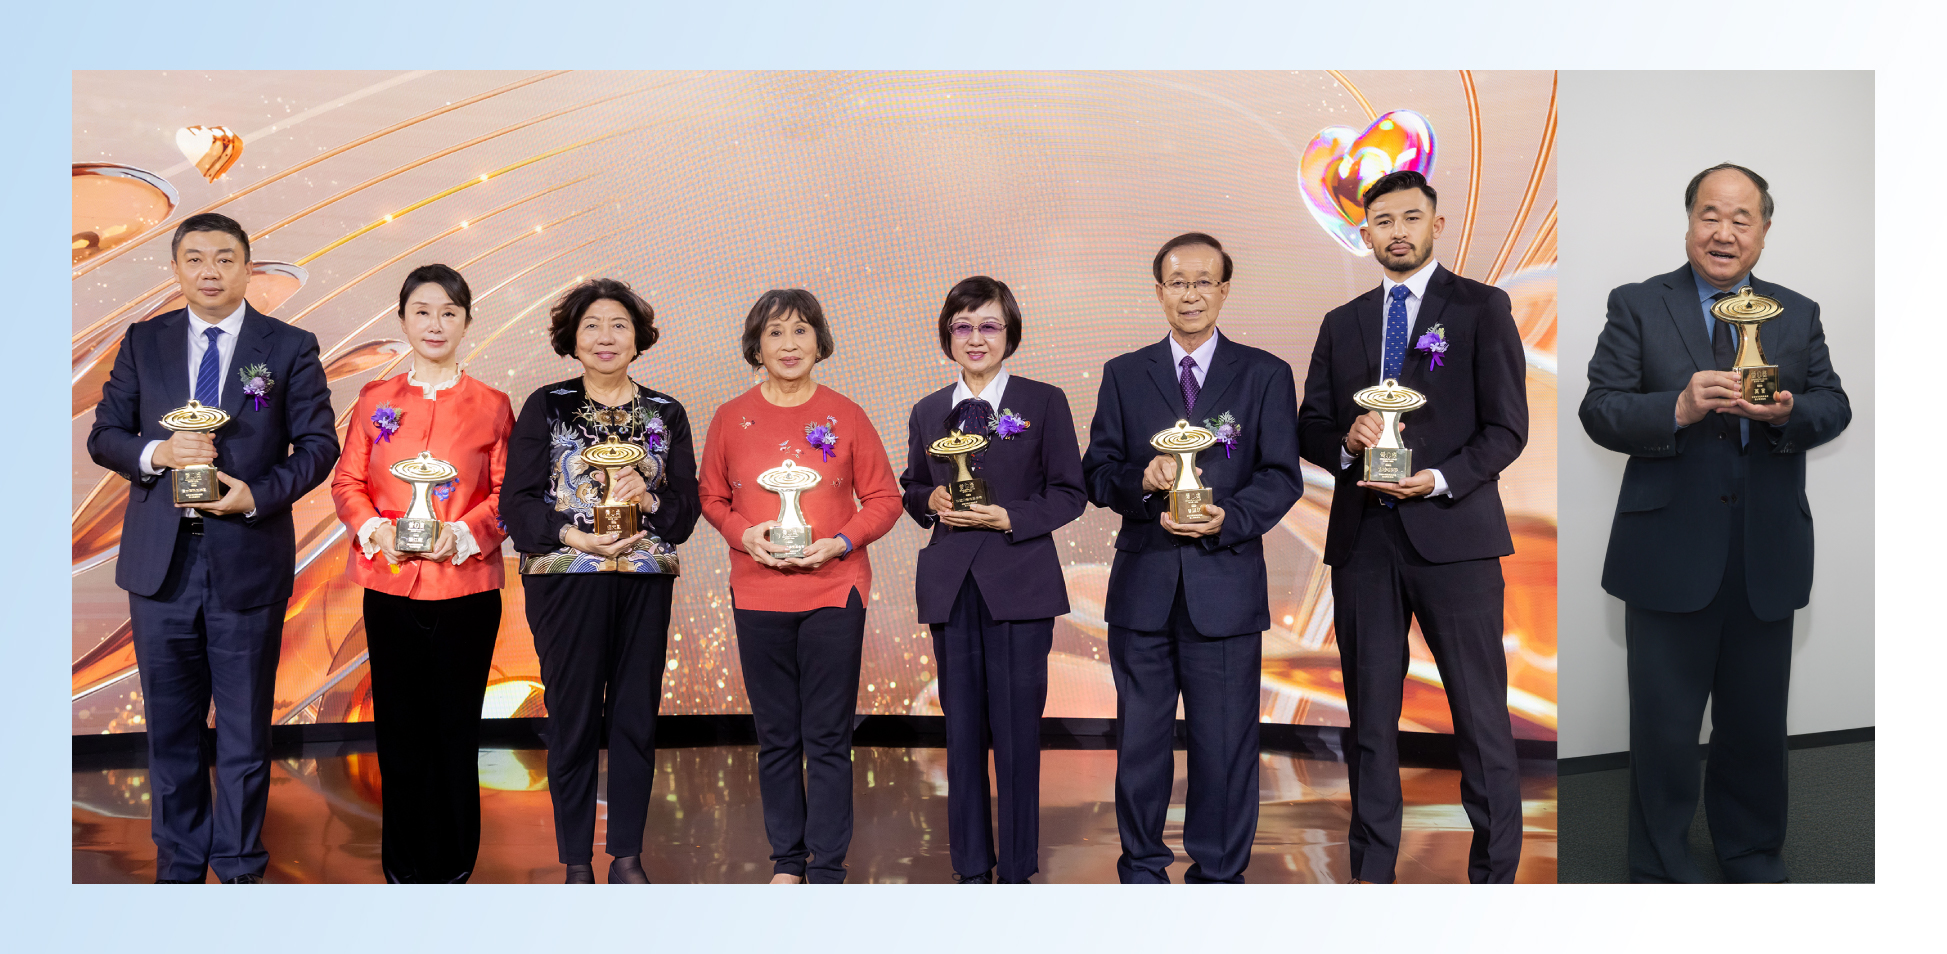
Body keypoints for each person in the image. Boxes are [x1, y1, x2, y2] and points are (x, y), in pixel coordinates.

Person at [1579, 163, 1850, 883]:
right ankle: (1661, 865)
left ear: (1763, 230)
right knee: (1664, 728)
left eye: (1740, 218)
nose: (1723, 232)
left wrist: (1788, 411)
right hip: (1667, 549)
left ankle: (1751, 851)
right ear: (1689, 222)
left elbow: (1834, 405)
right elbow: (1599, 408)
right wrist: (1677, 406)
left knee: (1755, 724)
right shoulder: (1638, 304)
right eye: (1709, 214)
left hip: (1766, 550)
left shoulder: (1797, 311)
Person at [86, 212, 339, 883]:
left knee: (245, 732)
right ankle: (179, 865)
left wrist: (254, 495)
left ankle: (239, 864)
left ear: (248, 269)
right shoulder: (144, 341)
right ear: (175, 269)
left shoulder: (288, 346)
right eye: (194, 258)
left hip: (246, 558)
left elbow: (318, 447)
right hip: (160, 567)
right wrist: (159, 453)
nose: (209, 271)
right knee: (170, 730)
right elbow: (105, 435)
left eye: (224, 258)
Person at [1295, 170, 1530, 883]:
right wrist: (1346, 441)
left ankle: (1495, 880)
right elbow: (1310, 425)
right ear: (1364, 234)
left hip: (1454, 535)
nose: (1396, 232)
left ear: (1437, 224)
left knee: (1480, 717)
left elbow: (1506, 429)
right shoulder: (1342, 322)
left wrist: (1438, 478)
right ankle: (1372, 879)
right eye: (1382, 222)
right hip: (1364, 542)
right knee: (1370, 720)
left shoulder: (1481, 307)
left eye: (1409, 218)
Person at [1081, 233, 1303, 883]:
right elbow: (1098, 472)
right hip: (1143, 587)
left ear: (1224, 290)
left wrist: (1229, 517)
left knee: (1225, 746)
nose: (1191, 295)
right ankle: (1142, 870)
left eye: (1204, 282)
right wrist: (1142, 482)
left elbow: (1280, 476)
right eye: (1178, 282)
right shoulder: (1125, 374)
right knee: (1140, 745)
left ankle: (1217, 877)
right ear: (1158, 292)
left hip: (1225, 586)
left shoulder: (1264, 374)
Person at [699, 289, 902, 884]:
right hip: (757, 592)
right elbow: (711, 496)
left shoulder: (847, 414)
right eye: (775, 333)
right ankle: (787, 862)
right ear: (756, 346)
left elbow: (885, 499)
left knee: (828, 735)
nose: (789, 345)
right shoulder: (730, 417)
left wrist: (840, 541)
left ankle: (828, 867)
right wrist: (743, 535)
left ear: (819, 341)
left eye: (800, 331)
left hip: (835, 591)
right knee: (777, 735)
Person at [500, 278, 699, 884]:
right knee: (574, 717)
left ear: (638, 338)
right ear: (573, 338)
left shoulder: (666, 413)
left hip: (643, 579)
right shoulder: (547, 405)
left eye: (618, 325)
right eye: (591, 325)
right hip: (567, 579)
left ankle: (627, 857)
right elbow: (517, 503)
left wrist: (651, 498)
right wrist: (574, 536)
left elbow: (685, 513)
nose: (605, 336)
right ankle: (575, 861)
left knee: (636, 716)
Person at [897, 276, 1087, 884]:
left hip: (1019, 583)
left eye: (988, 326)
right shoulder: (928, 410)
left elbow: (1070, 492)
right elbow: (912, 486)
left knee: (1017, 734)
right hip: (951, 587)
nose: (975, 338)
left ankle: (1019, 868)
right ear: (947, 336)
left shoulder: (1043, 401)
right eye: (963, 326)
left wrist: (1011, 517)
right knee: (960, 735)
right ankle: (971, 868)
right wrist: (930, 499)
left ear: (1010, 334)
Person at [329, 265, 515, 883]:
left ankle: (455, 864)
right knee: (400, 729)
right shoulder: (374, 400)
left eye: (449, 313)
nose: (435, 324)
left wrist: (458, 535)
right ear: (403, 320)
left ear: (466, 322)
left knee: (456, 728)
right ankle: (404, 868)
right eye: (423, 312)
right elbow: (348, 482)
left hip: (466, 590)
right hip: (390, 588)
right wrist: (376, 530)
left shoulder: (492, 405)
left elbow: (507, 495)